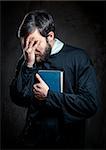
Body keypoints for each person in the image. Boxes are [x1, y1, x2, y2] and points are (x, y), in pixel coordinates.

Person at [10, 10, 99, 149]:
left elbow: (89, 104)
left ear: (50, 36)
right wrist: (28, 65)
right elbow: (17, 97)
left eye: (34, 43)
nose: (29, 50)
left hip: (68, 142)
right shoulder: (27, 58)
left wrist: (49, 96)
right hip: (32, 141)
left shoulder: (79, 58)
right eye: (25, 45)